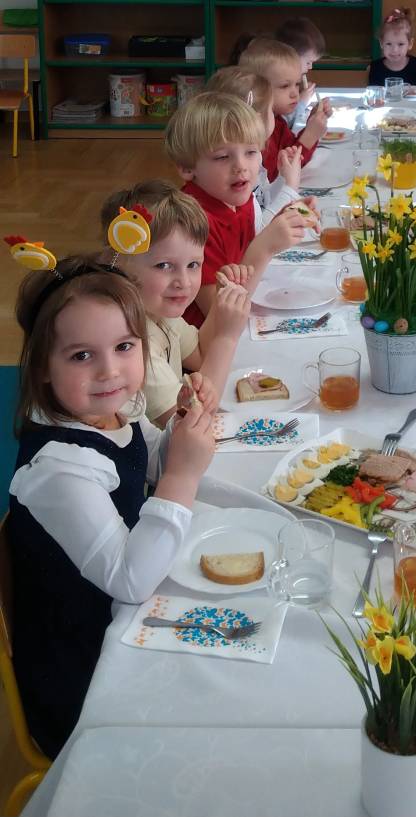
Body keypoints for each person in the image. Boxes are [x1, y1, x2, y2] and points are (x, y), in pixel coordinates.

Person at [7, 255, 215, 758]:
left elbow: (144, 463)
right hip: (84, 675)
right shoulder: (58, 469)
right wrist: (183, 475)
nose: (109, 371)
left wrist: (180, 428)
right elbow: (129, 579)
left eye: (124, 346)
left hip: (124, 620)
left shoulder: (112, 410)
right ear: (43, 368)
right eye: (81, 355)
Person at [99, 180, 251, 425]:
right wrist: (227, 338)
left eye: (193, 265)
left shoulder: (156, 311)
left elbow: (200, 355)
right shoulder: (132, 344)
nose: (184, 282)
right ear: (116, 263)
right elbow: (191, 424)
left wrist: (220, 304)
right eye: (164, 265)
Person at [164, 91, 311, 326]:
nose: (241, 166)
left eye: (251, 152)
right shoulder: (190, 223)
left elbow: (242, 267)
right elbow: (218, 315)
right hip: (198, 341)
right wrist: (264, 247)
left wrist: (286, 220)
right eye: (223, 157)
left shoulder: (238, 201)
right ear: (187, 168)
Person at [206, 66, 312, 230]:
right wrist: (291, 186)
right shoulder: (237, 169)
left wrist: (283, 178)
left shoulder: (253, 156)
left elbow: (263, 201)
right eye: (271, 110)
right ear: (259, 120)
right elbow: (258, 230)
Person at [238, 37, 330, 183]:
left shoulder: (278, 121)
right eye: (284, 86)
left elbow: (290, 150)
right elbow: (275, 178)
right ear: (258, 89)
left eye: (297, 84)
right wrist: (309, 136)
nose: (295, 93)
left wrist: (311, 126)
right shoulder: (257, 131)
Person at [274, 17, 326, 133]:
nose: (310, 67)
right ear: (292, 56)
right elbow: (284, 123)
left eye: (296, 84)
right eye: (308, 62)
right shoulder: (276, 82)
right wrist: (301, 102)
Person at [368, 7, 416, 87]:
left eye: (400, 44)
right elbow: (374, 92)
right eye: (389, 44)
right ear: (381, 43)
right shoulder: (375, 67)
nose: (394, 50)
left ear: (410, 44)